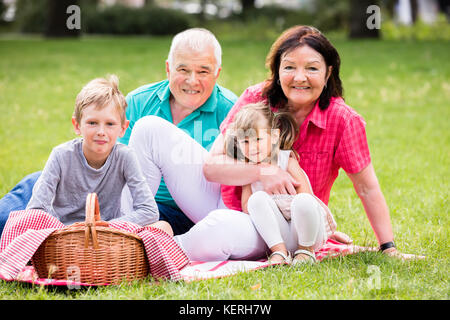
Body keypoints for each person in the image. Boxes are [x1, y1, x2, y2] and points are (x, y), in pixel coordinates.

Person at [0, 28, 237, 236]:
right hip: (111, 192)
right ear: (168, 69)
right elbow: (106, 156)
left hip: (172, 210)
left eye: (203, 72)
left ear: (217, 73)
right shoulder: (140, 101)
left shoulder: (231, 111)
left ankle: (50, 237)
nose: (192, 81)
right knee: (32, 191)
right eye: (182, 69)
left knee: (138, 231)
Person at [25, 75, 171, 234]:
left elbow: (149, 211)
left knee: (164, 228)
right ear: (77, 125)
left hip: (108, 237)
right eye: (92, 123)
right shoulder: (61, 155)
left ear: (123, 128)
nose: (101, 132)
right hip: (63, 237)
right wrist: (69, 230)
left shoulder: (124, 157)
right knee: (17, 222)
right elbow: (35, 210)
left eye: (110, 124)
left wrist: (106, 227)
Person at [224, 102, 337, 264]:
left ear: (274, 136)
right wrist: (268, 207)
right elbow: (247, 207)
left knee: (303, 200)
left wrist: (283, 205)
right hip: (278, 236)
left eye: (257, 139)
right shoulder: (249, 171)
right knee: (256, 200)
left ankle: (306, 252)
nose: (252, 147)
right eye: (245, 142)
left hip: (307, 233)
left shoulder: (286, 161)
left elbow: (308, 198)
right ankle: (280, 253)